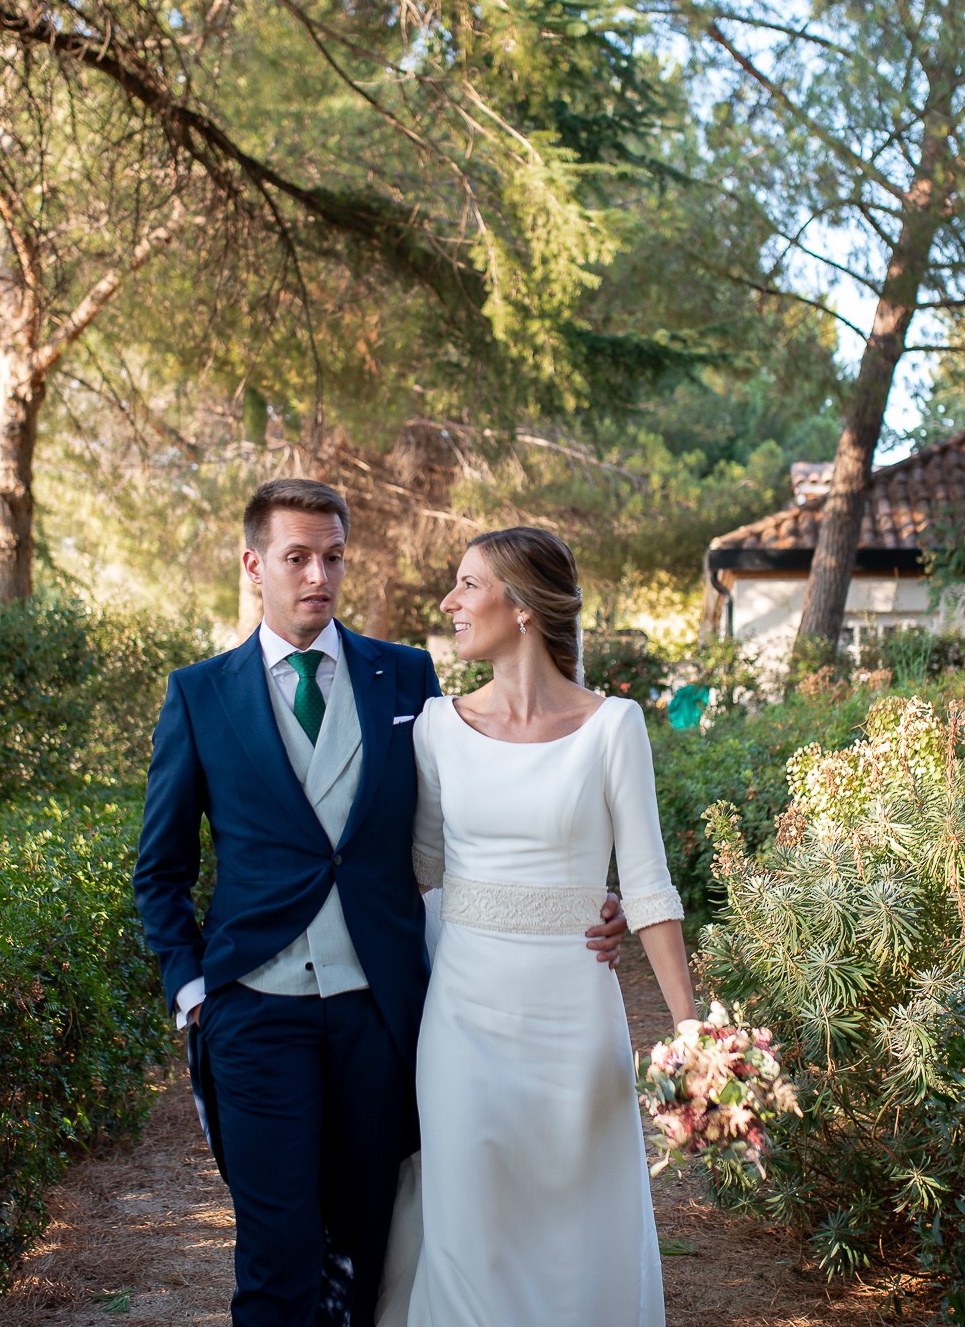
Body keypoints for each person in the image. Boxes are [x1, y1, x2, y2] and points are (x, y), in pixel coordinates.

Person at [130, 481, 629, 1327]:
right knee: (276, 1260)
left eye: (332, 556)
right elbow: (160, 869)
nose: (318, 575)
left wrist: (581, 891)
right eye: (296, 557)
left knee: (371, 1254)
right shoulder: (200, 694)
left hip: (382, 1015)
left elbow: (464, 824)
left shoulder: (404, 675)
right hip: (255, 1011)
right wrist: (193, 994)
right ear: (254, 566)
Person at [377, 527, 697, 1327]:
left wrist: (695, 1038)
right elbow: (423, 877)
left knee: (577, 1240)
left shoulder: (614, 726)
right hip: (462, 1027)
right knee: (467, 1241)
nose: (450, 602)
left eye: (467, 585)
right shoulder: (434, 728)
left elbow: (649, 887)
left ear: (520, 607)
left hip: (574, 1024)